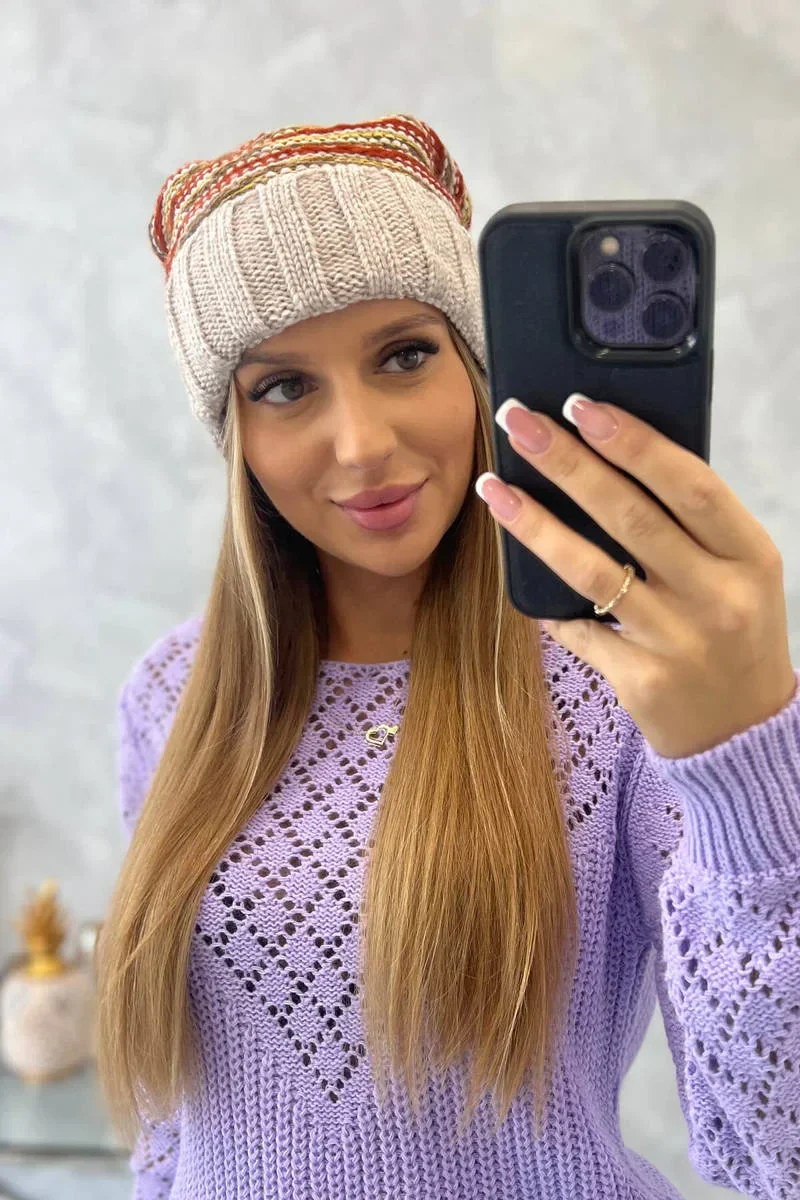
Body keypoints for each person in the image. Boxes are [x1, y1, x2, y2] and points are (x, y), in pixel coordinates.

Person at [95, 113, 800, 1199]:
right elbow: (174, 1123)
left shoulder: (623, 688)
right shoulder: (170, 695)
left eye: (405, 355)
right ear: (236, 437)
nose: (362, 444)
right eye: (283, 387)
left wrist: (744, 761)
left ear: (478, 367)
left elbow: (776, 1147)